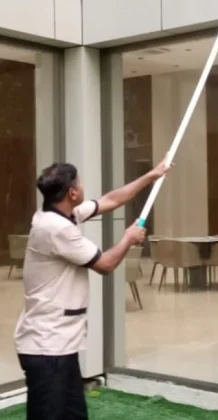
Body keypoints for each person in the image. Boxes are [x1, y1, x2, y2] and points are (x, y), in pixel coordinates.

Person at [14, 157, 172, 420]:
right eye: (79, 182)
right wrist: (128, 238)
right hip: (46, 348)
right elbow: (105, 264)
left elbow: (111, 200)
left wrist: (152, 175)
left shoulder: (63, 213)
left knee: (75, 415)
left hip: (59, 347)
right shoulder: (56, 229)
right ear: (72, 193)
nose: (83, 185)